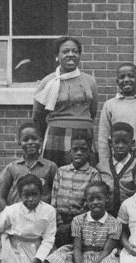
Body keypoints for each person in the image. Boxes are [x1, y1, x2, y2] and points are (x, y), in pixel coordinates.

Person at [33, 36, 98, 167]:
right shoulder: (48, 81)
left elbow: (93, 111)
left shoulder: (89, 81)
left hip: (84, 135)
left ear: (79, 55)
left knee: (87, 179)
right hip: (56, 136)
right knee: (55, 177)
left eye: (75, 51)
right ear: (57, 55)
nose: (71, 55)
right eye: (65, 51)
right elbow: (38, 115)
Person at [45, 181, 120, 263]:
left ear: (107, 199)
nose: (95, 202)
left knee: (112, 262)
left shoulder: (114, 223)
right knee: (56, 257)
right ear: (86, 202)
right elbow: (77, 248)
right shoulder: (78, 220)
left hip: (101, 258)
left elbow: (106, 252)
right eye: (91, 199)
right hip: (81, 255)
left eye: (99, 198)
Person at [0, 175, 56, 263]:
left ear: (41, 193)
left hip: (36, 248)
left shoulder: (49, 211)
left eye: (35, 194)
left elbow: (49, 239)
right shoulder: (11, 211)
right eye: (26, 196)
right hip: (14, 247)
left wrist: (36, 260)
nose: (31, 199)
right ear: (20, 196)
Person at [97, 63, 136, 166]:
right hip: (118, 158)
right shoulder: (110, 105)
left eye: (131, 76)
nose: (126, 80)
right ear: (117, 82)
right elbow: (103, 139)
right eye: (122, 77)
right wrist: (104, 164)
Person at [51, 131, 100, 247]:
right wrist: (61, 224)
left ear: (90, 152)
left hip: (82, 223)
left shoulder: (94, 174)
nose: (79, 153)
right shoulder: (61, 172)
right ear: (70, 152)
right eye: (75, 149)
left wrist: (72, 225)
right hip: (60, 223)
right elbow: (54, 201)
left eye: (83, 150)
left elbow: (91, 204)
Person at [0, 122, 57, 208]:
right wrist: (9, 214)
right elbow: (2, 197)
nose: (30, 142)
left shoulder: (50, 166)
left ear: (41, 140)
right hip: (19, 218)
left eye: (34, 138)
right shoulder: (12, 167)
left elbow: (56, 195)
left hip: (42, 217)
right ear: (19, 142)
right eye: (25, 140)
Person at [96, 122, 136, 216]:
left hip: (131, 214)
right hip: (107, 216)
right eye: (117, 142)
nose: (120, 146)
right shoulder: (102, 166)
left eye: (125, 142)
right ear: (110, 143)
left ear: (132, 143)